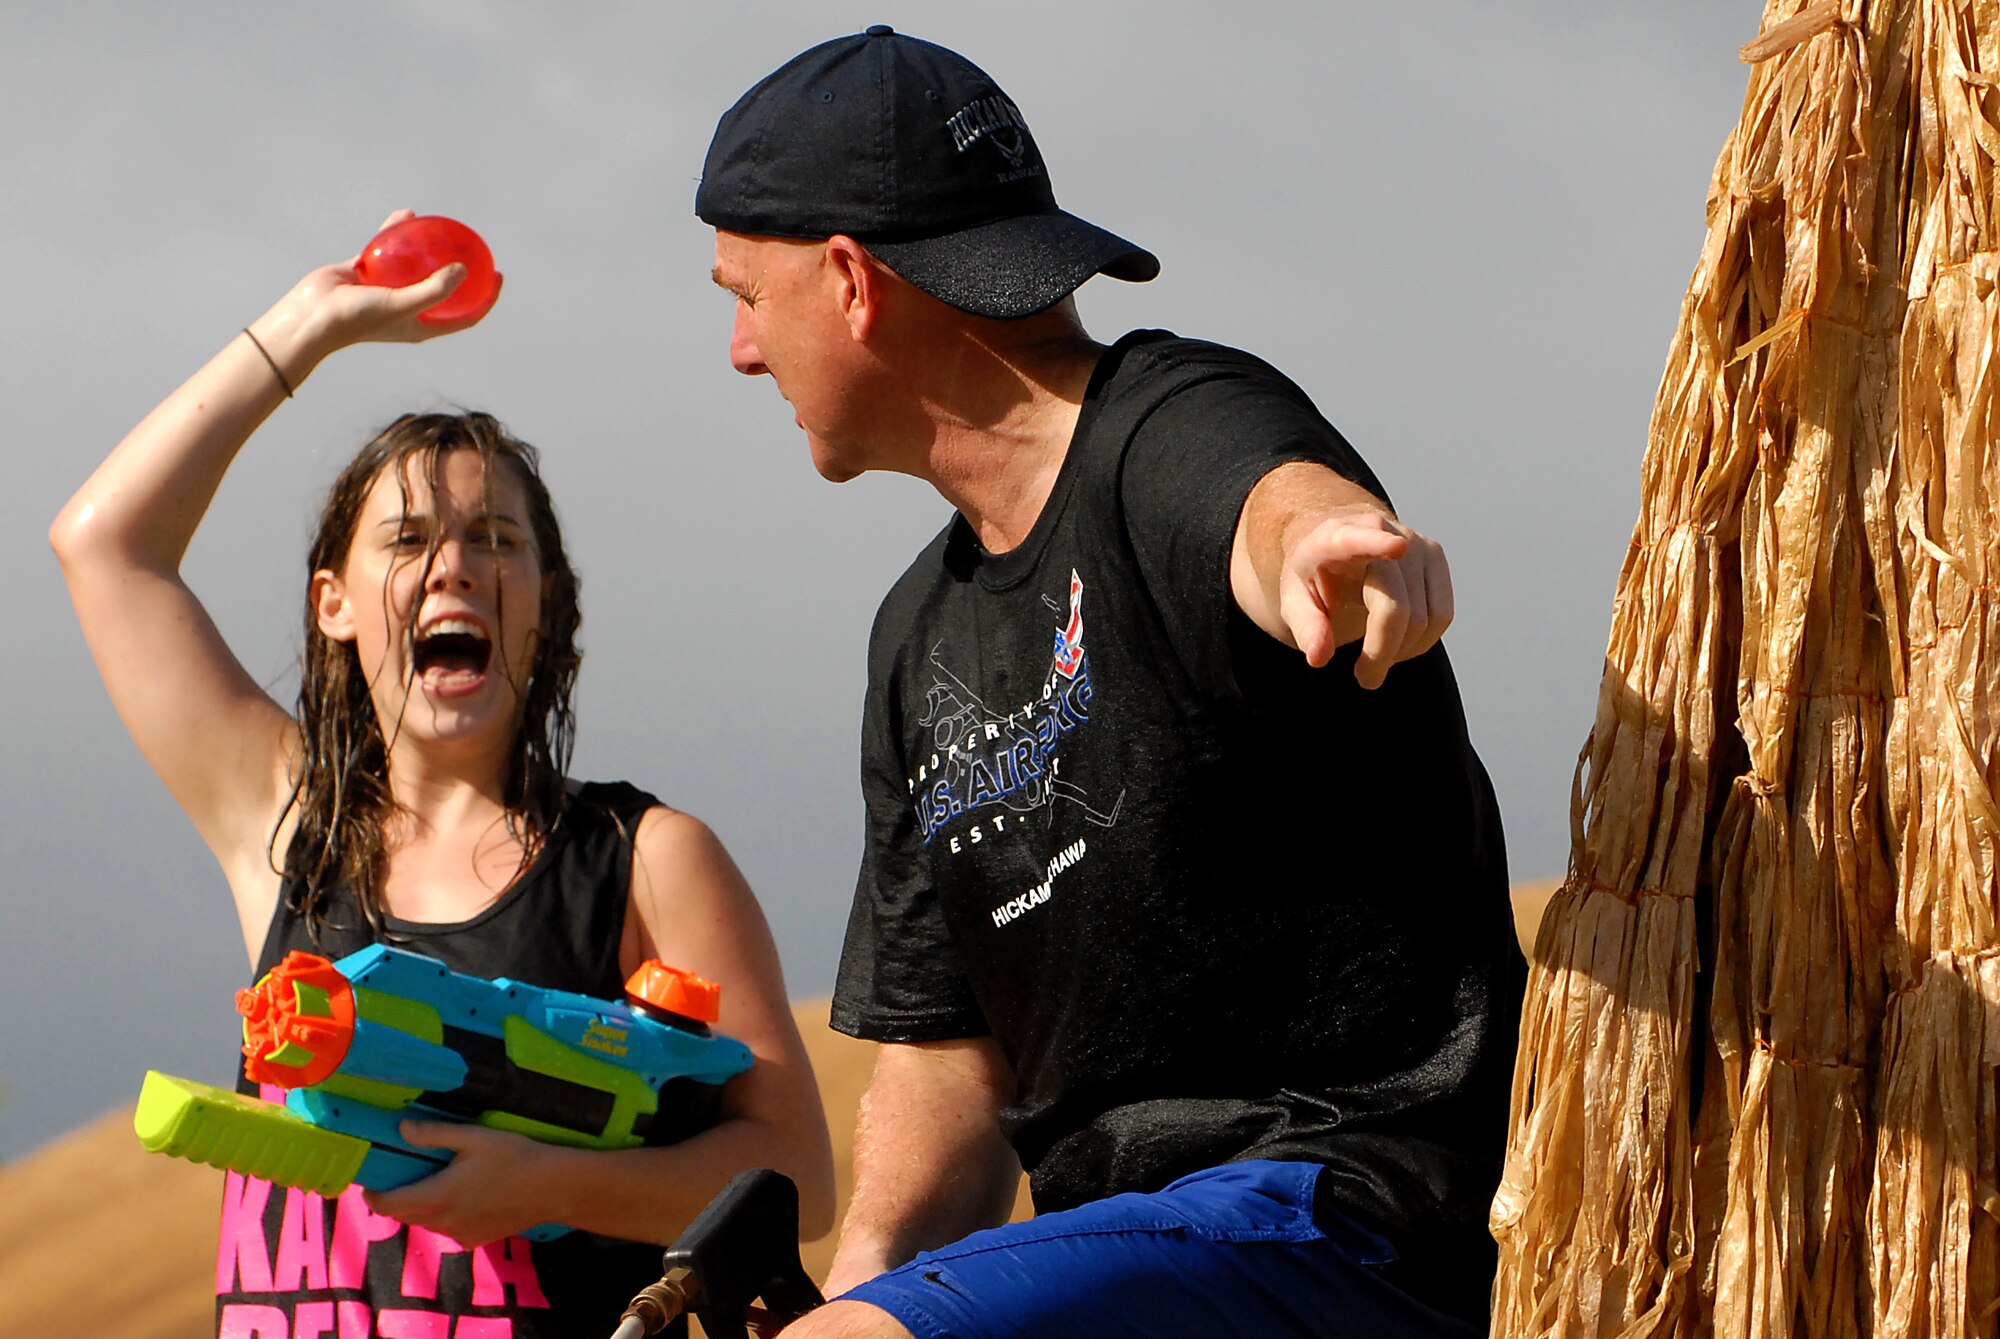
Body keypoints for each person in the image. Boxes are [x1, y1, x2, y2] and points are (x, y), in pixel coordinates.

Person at [694, 28, 1527, 1339]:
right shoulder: (917, 637)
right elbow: (942, 1063)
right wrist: (856, 1290)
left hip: (1341, 1222)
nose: (742, 347)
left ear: (852, 281)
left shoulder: (1167, 421)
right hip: (1124, 1252)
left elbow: (1261, 501)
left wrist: (1326, 548)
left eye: (746, 292)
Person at [49, 214, 834, 1339]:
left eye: (496, 540)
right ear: (334, 602)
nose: (453, 565)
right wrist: (313, 326)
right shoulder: (284, 824)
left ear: (547, 602)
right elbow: (104, 545)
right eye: (406, 539)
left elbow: (799, 1177)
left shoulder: (644, 860)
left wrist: (544, 1182)